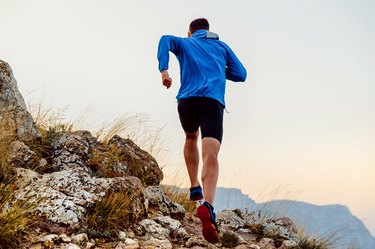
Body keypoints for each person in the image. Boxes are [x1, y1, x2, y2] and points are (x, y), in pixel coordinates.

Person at [157, 18, 247, 243]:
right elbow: (241, 74)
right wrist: (216, 68)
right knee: (211, 154)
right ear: (208, 31)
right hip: (212, 103)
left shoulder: (184, 43)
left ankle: (194, 186)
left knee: (190, 137)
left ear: (190, 32)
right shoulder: (221, 46)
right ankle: (208, 204)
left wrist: (164, 72)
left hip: (187, 101)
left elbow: (164, 40)